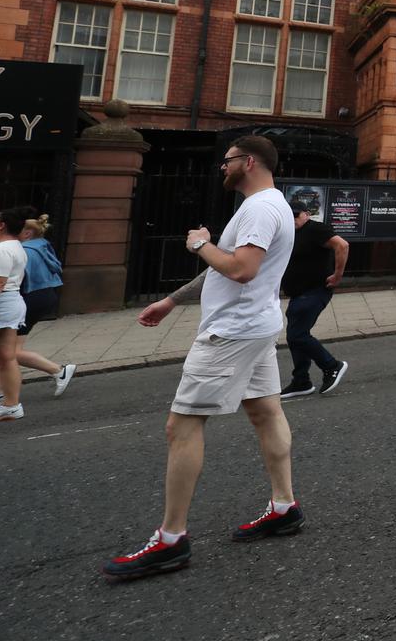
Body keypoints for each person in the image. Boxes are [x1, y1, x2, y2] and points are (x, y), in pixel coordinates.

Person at [103, 136, 301, 581]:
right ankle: (284, 507)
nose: (221, 168)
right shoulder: (272, 205)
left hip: (231, 333)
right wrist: (172, 300)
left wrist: (198, 243)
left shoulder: (259, 209)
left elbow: (240, 269)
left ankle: (170, 541)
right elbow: (230, 268)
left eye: (226, 161)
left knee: (182, 426)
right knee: (266, 412)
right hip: (257, 325)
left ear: (248, 162)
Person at [278, 201, 350, 399]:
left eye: (296, 214)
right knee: (296, 336)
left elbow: (342, 245)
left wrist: (338, 275)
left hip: (315, 290)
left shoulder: (316, 229)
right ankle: (301, 381)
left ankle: (332, 365)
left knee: (298, 335)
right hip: (298, 293)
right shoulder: (289, 233)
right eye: (289, 215)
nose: (292, 219)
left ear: (307, 214)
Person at [15, 214, 76, 398]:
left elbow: (15, 279)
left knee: (8, 351)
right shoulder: (40, 246)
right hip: (44, 295)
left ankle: (58, 370)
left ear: (27, 233)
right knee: (9, 349)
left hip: (30, 298)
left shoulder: (25, 251)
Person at [0, 206, 32, 422]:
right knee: (6, 355)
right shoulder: (15, 246)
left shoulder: (2, 249)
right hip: (11, 302)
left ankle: (11, 404)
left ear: (2, 225)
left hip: (4, 303)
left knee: (6, 356)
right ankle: (9, 402)